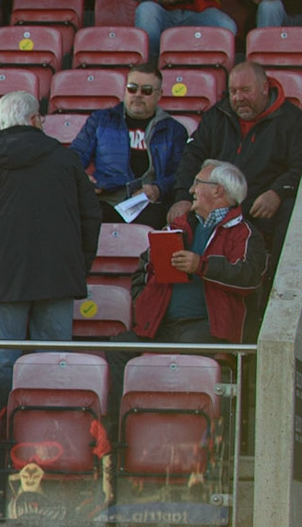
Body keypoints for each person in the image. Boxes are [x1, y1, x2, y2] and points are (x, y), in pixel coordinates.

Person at [0, 90, 104, 390]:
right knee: (53, 365)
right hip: (58, 274)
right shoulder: (67, 160)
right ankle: (49, 431)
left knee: (2, 365)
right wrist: (78, 265)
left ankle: (1, 432)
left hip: (0, 277)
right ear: (35, 119)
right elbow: (91, 218)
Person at [170, 61, 302, 258]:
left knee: (292, 212)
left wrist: (278, 192)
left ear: (265, 88)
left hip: (262, 206)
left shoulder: (292, 119)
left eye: (245, 90)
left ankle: (275, 286)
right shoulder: (216, 116)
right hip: (215, 201)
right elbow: (192, 157)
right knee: (175, 214)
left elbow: (298, 166)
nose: (239, 98)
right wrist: (182, 197)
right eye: (233, 91)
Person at [132, 160, 268, 344]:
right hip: (160, 326)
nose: (191, 190)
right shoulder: (177, 226)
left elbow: (249, 278)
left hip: (210, 329)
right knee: (119, 350)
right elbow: (144, 269)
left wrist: (202, 266)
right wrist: (144, 303)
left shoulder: (244, 233)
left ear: (217, 190)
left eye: (197, 183)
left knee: (185, 352)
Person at [69, 63, 185, 228]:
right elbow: (74, 156)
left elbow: (180, 174)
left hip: (148, 203)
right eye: (132, 88)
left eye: (146, 90)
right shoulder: (100, 120)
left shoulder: (174, 130)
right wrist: (82, 178)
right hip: (105, 198)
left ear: (159, 95)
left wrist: (158, 189)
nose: (138, 95)